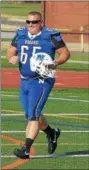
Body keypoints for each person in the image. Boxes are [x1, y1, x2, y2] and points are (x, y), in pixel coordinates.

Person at [6, 11, 70, 159]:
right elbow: (10, 51)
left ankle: (26, 149)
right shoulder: (21, 34)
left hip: (42, 80)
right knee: (31, 114)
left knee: (33, 116)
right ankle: (51, 132)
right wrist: (11, 57)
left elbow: (65, 53)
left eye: (34, 22)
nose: (30, 25)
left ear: (41, 22)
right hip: (24, 80)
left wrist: (54, 63)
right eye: (28, 22)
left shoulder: (50, 35)